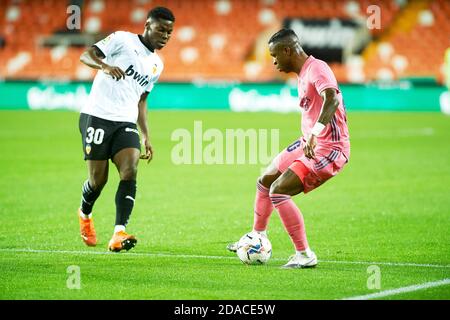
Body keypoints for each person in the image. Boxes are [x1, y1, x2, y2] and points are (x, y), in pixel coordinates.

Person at [227, 29, 350, 268]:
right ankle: (257, 236)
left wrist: (315, 132)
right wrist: (311, 136)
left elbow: (332, 98)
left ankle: (304, 254)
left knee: (278, 190)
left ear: (287, 50)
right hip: (309, 143)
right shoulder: (303, 73)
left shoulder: (318, 68)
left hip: (329, 149)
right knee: (265, 180)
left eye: (274, 56)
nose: (273, 62)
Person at [77, 7, 175, 252]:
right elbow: (86, 55)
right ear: (147, 25)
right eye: (161, 29)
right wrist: (104, 67)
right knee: (98, 181)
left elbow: (142, 100)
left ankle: (118, 233)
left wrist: (146, 135)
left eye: (169, 32)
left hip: (125, 122)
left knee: (130, 169)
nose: (165, 35)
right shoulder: (122, 39)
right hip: (97, 116)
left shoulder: (157, 64)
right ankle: (84, 213)